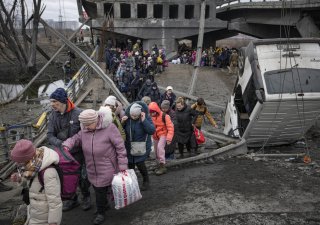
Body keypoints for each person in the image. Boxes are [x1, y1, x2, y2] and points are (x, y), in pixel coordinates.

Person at [63, 108, 128, 225]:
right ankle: (105, 204)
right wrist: (67, 145)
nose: (86, 127)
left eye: (88, 124)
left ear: (96, 120)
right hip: (91, 167)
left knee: (99, 190)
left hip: (107, 166)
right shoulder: (84, 129)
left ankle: (101, 213)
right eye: (84, 124)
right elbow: (75, 139)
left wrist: (123, 165)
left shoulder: (110, 128)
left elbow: (120, 147)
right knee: (99, 188)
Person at [47, 88, 91, 212]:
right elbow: (50, 135)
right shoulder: (53, 116)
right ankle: (72, 199)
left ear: (63, 101)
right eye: (51, 101)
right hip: (62, 153)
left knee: (82, 176)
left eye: (54, 101)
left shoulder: (78, 114)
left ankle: (86, 196)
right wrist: (61, 144)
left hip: (78, 152)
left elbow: (86, 134)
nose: (52, 104)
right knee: (66, 177)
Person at [10, 139, 62, 225]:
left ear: (26, 158)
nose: (17, 164)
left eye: (19, 161)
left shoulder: (48, 173)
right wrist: (20, 179)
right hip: (35, 213)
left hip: (43, 219)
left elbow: (55, 202)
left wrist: (53, 222)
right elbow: (31, 183)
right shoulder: (32, 167)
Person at [121, 102, 155, 190]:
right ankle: (132, 183)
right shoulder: (127, 118)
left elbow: (151, 131)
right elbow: (121, 131)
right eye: (132, 115)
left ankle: (146, 180)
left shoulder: (146, 117)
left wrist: (144, 121)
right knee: (130, 165)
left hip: (141, 146)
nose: (134, 117)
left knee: (140, 164)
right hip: (129, 146)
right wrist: (123, 122)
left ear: (140, 113)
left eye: (136, 116)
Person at [148, 102, 174, 175]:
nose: (151, 114)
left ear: (156, 110)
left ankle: (162, 165)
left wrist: (169, 138)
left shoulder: (165, 116)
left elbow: (170, 127)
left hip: (163, 134)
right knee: (156, 151)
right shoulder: (150, 116)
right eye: (150, 112)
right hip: (155, 135)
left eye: (153, 112)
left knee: (160, 148)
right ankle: (158, 164)